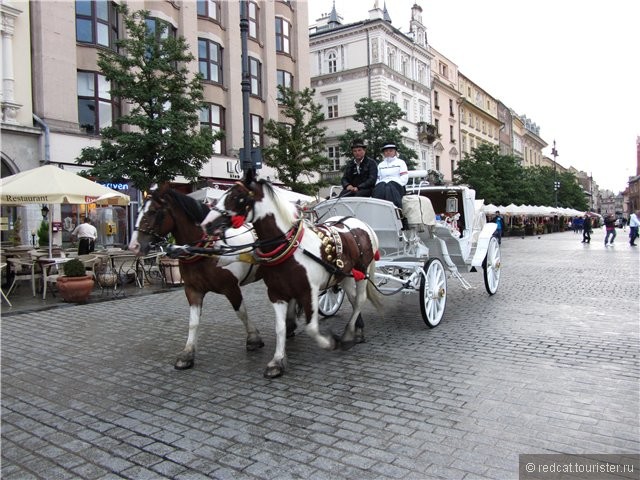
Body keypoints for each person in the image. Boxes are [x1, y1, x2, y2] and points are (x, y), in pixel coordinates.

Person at [372, 142, 408, 209]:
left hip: (397, 186)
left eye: (391, 151)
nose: (388, 152)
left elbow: (404, 178)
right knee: (381, 187)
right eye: (386, 151)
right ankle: (377, 209)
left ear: (395, 152)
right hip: (383, 186)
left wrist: (394, 183)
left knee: (389, 187)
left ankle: (396, 209)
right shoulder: (381, 165)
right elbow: (378, 178)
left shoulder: (401, 163)